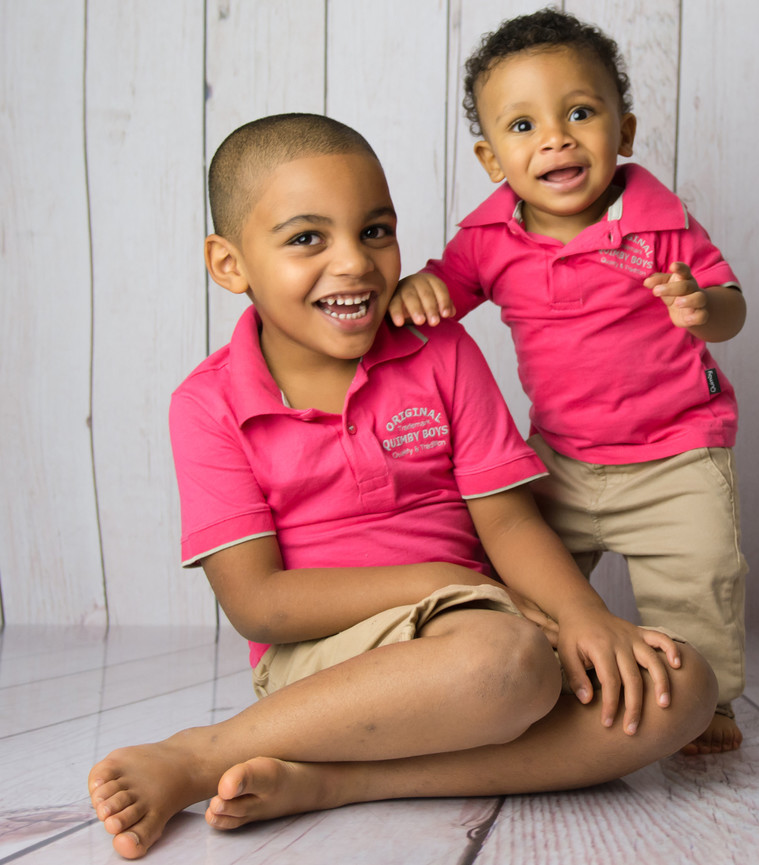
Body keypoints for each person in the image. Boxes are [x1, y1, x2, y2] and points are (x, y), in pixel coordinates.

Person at [86, 113, 716, 861]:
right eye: (307, 238)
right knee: (505, 664)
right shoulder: (209, 403)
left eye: (376, 231)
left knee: (685, 685)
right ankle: (199, 754)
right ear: (230, 264)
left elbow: (509, 524)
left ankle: (333, 781)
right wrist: (446, 583)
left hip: (477, 629)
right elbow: (260, 602)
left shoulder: (438, 350)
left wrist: (581, 614)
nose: (354, 262)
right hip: (336, 652)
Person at [391, 9, 747, 754]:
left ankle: (706, 700)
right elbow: (443, 293)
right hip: (559, 459)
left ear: (623, 132)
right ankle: (538, 682)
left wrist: (700, 304)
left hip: (676, 453)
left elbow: (731, 307)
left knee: (698, 581)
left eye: (580, 112)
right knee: (514, 583)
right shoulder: (489, 238)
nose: (554, 137)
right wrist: (418, 291)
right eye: (522, 127)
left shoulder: (662, 221)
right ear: (492, 160)